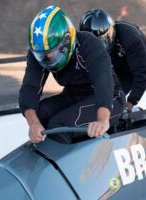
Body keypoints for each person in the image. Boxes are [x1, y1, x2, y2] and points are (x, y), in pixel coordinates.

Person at [19, 5, 125, 144]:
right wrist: (33, 124)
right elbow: (30, 88)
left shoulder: (88, 43)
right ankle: (43, 157)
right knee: (41, 113)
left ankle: (66, 163)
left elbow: (103, 83)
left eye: (54, 52)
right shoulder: (37, 53)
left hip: (109, 96)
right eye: (43, 56)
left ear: (67, 41)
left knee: (59, 125)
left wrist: (102, 120)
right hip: (73, 94)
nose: (49, 59)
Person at [79, 9, 146, 111]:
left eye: (103, 40)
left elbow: (142, 73)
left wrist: (131, 101)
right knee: (115, 97)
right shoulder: (86, 45)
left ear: (111, 30)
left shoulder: (130, 38)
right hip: (123, 68)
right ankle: (122, 116)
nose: (101, 46)